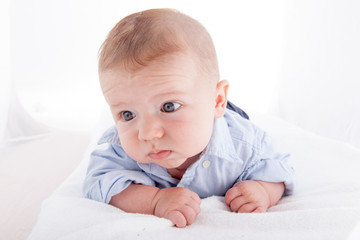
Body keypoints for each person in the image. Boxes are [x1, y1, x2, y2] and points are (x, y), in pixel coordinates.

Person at [83, 8, 295, 228]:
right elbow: (98, 182)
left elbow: (278, 169)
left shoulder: (244, 143)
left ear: (217, 101)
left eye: (169, 106)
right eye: (127, 114)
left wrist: (262, 190)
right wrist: (154, 200)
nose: (147, 133)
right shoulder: (122, 150)